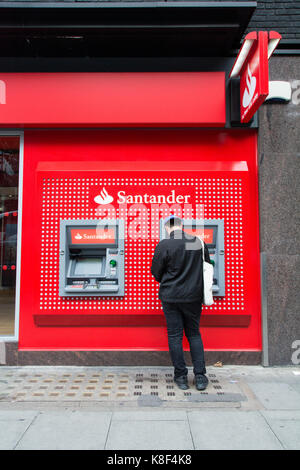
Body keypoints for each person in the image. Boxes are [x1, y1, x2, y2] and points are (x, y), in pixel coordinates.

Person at [151, 215, 212, 391]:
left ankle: (181, 377)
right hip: (193, 297)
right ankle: (200, 377)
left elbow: (156, 272)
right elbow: (206, 266)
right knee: (194, 334)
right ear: (181, 226)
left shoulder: (164, 245)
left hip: (171, 297)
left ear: (166, 228)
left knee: (175, 335)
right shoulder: (197, 242)